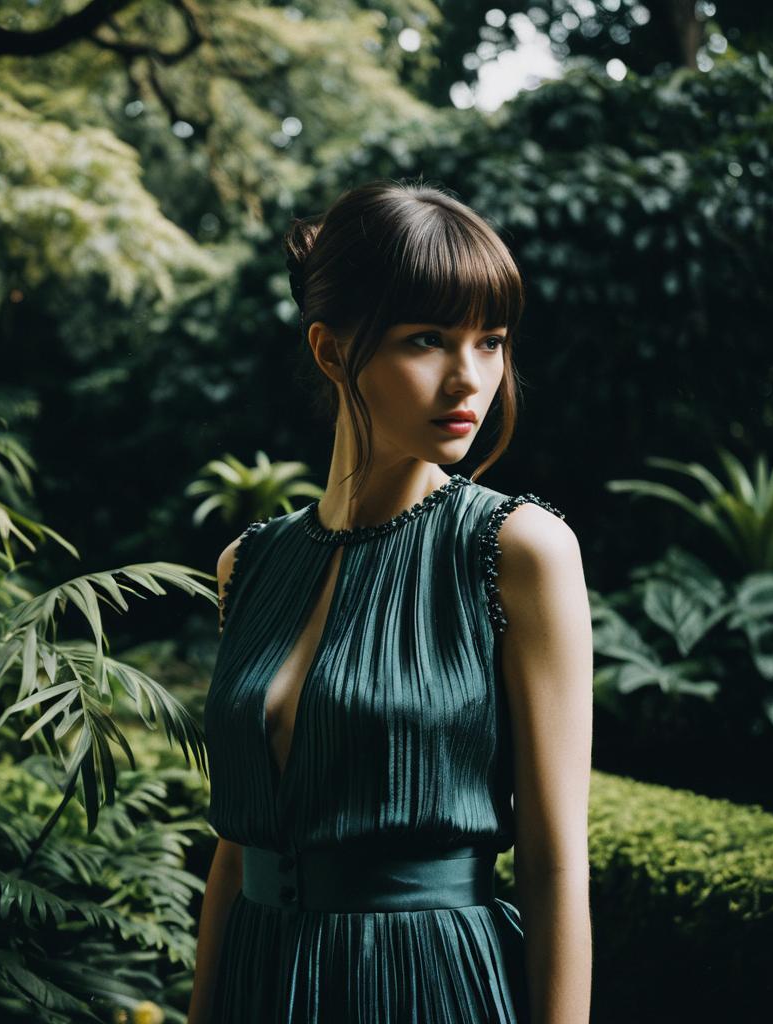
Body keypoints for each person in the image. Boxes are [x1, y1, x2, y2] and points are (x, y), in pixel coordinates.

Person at [185, 179, 593, 1024]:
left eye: (491, 342)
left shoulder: (518, 551)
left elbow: (555, 865)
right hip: (262, 983)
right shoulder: (247, 566)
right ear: (331, 352)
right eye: (427, 340)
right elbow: (239, 847)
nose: (469, 378)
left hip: (426, 986)